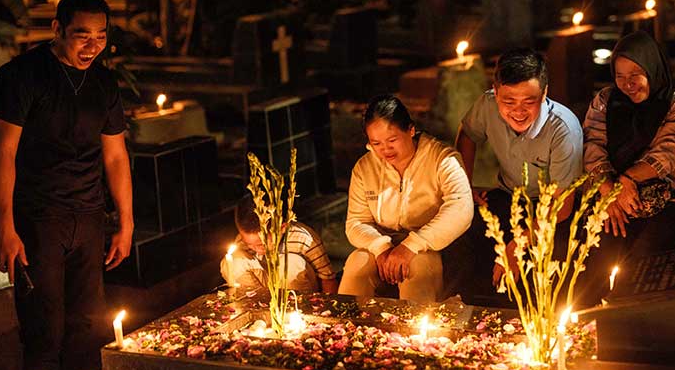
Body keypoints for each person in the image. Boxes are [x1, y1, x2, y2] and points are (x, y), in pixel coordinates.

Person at [0, 0, 132, 370]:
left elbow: (116, 156)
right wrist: (5, 226)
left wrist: (125, 221)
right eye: (81, 35)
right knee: (44, 330)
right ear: (57, 28)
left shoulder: (104, 83)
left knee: (90, 327)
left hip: (88, 217)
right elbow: (4, 154)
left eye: (101, 36)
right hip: (39, 219)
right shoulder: (20, 77)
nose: (93, 46)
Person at [582, 31, 675, 298]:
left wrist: (628, 180)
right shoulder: (605, 101)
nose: (628, 84)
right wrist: (610, 192)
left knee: (642, 271)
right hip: (611, 201)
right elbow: (592, 146)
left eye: (635, 74)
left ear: (652, 66)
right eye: (620, 76)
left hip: (664, 202)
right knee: (596, 267)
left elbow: (671, 150)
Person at [455, 48, 583, 292]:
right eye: (509, 101)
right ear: (495, 92)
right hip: (508, 195)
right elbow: (468, 134)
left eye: (529, 101)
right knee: (461, 235)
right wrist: (464, 186)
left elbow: (562, 206)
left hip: (552, 209)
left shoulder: (563, 130)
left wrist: (517, 245)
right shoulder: (487, 104)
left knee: (529, 268)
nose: (518, 111)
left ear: (544, 93)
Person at [341, 95, 473, 302]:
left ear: (411, 130)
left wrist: (412, 245)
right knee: (357, 262)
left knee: (417, 268)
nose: (385, 149)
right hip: (385, 243)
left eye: (392, 140)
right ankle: (349, 326)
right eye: (376, 143)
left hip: (432, 246)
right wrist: (380, 247)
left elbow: (461, 209)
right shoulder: (364, 168)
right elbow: (356, 222)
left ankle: (414, 331)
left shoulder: (442, 159)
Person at [222, 196, 338, 295]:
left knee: (290, 263)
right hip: (266, 286)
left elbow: (328, 280)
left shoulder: (304, 240)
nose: (256, 249)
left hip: (299, 290)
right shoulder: (243, 242)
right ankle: (258, 303)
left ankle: (294, 308)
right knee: (234, 260)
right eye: (250, 244)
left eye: (261, 244)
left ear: (282, 228)